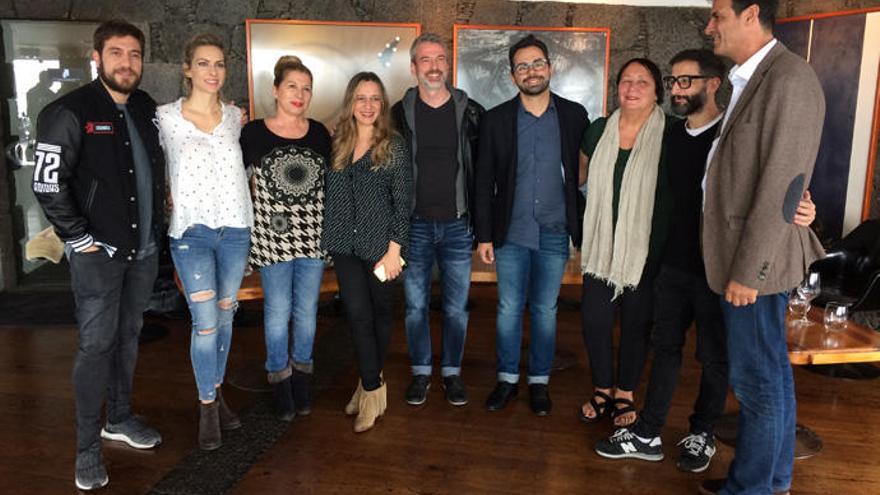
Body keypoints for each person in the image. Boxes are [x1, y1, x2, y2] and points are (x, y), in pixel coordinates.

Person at [594, 49, 817, 473]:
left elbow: (773, 185)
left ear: (713, 84)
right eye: (673, 81)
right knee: (665, 349)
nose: (676, 90)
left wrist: (805, 210)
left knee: (716, 357)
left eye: (685, 81)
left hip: (720, 270)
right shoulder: (671, 135)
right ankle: (648, 432)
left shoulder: (730, 137)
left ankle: (703, 433)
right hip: (674, 265)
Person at [699, 1, 826, 494]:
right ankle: (769, 482)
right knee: (768, 376)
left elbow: (781, 188)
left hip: (754, 267)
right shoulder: (751, 78)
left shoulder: (789, 80)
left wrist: (748, 272)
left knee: (757, 382)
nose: (710, 26)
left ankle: (751, 489)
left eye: (717, 16)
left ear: (750, 14)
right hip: (743, 256)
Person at [32, 20, 164, 490]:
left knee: (129, 335)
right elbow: (47, 181)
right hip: (98, 255)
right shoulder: (69, 111)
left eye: (133, 54)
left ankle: (120, 418)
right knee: (95, 346)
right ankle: (87, 447)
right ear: (97, 57)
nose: (126, 63)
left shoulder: (145, 107)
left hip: (143, 249)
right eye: (116, 53)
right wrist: (77, 237)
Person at [474, 34, 589, 416]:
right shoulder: (496, 120)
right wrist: (485, 235)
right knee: (508, 308)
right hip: (511, 232)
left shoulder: (574, 116)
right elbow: (484, 181)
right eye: (522, 66)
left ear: (550, 68)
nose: (531, 71)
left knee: (545, 310)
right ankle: (506, 379)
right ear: (512, 76)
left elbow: (583, 174)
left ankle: (539, 381)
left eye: (537, 63)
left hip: (555, 231)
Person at [157, 33, 253, 451]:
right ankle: (207, 405)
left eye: (219, 64)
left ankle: (216, 395)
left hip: (235, 229)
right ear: (187, 68)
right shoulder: (165, 118)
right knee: (206, 322)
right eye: (203, 63)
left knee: (227, 317)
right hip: (191, 233)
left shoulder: (236, 117)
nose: (212, 72)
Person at [577, 58, 672, 428]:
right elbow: (581, 173)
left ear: (657, 91)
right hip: (601, 248)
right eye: (626, 81)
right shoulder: (599, 129)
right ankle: (602, 387)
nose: (632, 88)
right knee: (594, 320)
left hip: (648, 249)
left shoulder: (671, 132)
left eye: (642, 82)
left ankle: (625, 392)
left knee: (637, 323)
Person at [391, 33, 484, 407]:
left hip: (457, 226)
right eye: (425, 60)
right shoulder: (397, 114)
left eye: (440, 59)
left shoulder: (472, 112)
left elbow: (484, 169)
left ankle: (451, 373)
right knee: (414, 307)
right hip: (412, 225)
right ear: (413, 68)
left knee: (456, 307)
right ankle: (420, 371)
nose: (434, 66)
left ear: (448, 65)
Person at [241, 56, 331, 421]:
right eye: (292, 86)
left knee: (307, 312)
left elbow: (332, 186)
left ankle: (302, 376)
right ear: (275, 90)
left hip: (312, 236)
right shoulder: (253, 133)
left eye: (306, 88)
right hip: (272, 237)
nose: (300, 94)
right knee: (277, 312)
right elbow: (236, 184)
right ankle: (279, 376)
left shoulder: (320, 133)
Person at [323, 72, 411, 433]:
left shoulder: (394, 145)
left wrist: (394, 251)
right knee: (357, 317)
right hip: (344, 244)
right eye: (361, 98)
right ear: (351, 102)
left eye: (375, 98)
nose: (368, 105)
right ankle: (373, 389)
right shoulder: (337, 143)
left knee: (380, 316)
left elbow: (403, 202)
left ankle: (367, 383)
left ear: (383, 105)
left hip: (380, 250)